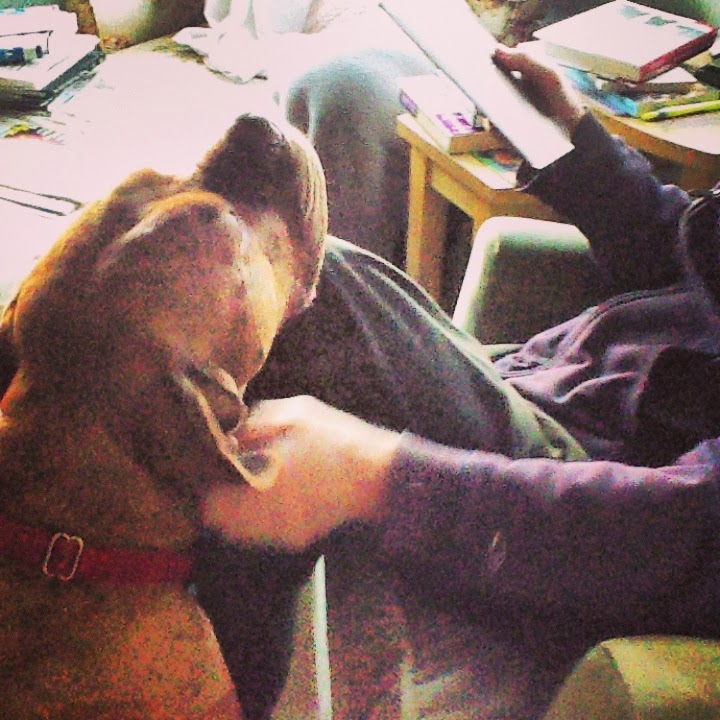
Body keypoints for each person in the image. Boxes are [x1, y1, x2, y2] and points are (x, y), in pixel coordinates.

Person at [199, 45, 720, 719]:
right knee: (251, 282)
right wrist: (574, 141)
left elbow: (684, 536)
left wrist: (381, 476)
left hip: (596, 491)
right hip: (548, 384)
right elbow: (685, 258)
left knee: (302, 291)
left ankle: (193, 678)